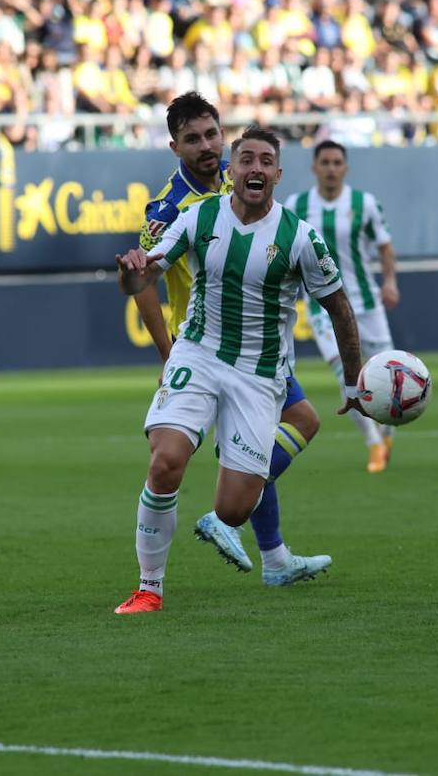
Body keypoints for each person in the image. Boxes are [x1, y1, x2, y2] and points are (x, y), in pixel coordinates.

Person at [114, 125, 367, 614]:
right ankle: (149, 588)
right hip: (198, 352)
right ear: (233, 172)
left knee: (233, 508)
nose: (254, 168)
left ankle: (259, 545)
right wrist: (131, 274)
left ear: (277, 173)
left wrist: (354, 382)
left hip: (259, 374)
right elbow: (145, 276)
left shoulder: (300, 237)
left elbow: (340, 308)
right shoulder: (198, 216)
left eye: (264, 161)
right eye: (245, 159)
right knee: (165, 460)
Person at [284, 141, 401, 472]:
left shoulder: (364, 204)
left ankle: (388, 431)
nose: (331, 168)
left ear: (345, 168)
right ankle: (373, 444)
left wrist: (390, 282)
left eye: (337, 162)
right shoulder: (298, 205)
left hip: (365, 301)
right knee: (345, 373)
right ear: (314, 167)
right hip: (323, 306)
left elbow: (385, 248)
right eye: (325, 162)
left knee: (390, 374)